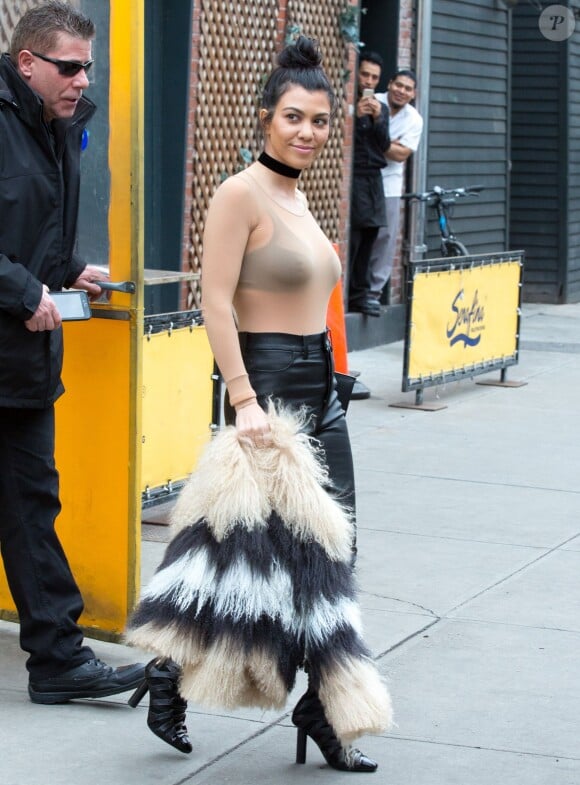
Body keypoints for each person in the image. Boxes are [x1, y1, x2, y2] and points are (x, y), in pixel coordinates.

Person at [201, 36, 378, 772]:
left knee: (333, 553)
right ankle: (169, 675)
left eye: (319, 122)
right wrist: (243, 399)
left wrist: (335, 377)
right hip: (267, 387)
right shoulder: (240, 192)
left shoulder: (301, 196)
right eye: (293, 118)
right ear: (266, 117)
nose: (307, 132)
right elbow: (212, 300)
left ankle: (318, 700)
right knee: (250, 558)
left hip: (321, 389)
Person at [0, 1, 144, 703]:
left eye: (88, 67)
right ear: (26, 63)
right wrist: (25, 288)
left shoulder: (57, 128)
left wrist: (66, 269)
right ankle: (58, 656)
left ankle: (57, 659)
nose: (83, 80)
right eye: (69, 66)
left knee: (32, 506)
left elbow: (35, 228)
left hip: (21, 367)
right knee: (28, 506)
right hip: (12, 339)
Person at [369, 69, 423, 302]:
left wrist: (377, 138)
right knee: (362, 234)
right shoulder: (374, 102)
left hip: (390, 184)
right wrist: (390, 143)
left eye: (407, 88)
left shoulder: (414, 119)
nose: (401, 91)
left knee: (385, 236)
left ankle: (373, 292)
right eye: (398, 85)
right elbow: (365, 141)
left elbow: (401, 155)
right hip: (365, 177)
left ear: (413, 94)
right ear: (389, 84)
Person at [348, 51, 390, 317]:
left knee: (371, 237)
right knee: (354, 238)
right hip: (354, 177)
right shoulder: (348, 103)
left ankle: (360, 297)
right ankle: (350, 294)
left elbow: (384, 144)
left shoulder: (381, 108)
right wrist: (355, 117)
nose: (369, 81)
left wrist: (377, 120)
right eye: (365, 74)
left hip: (375, 179)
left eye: (374, 77)